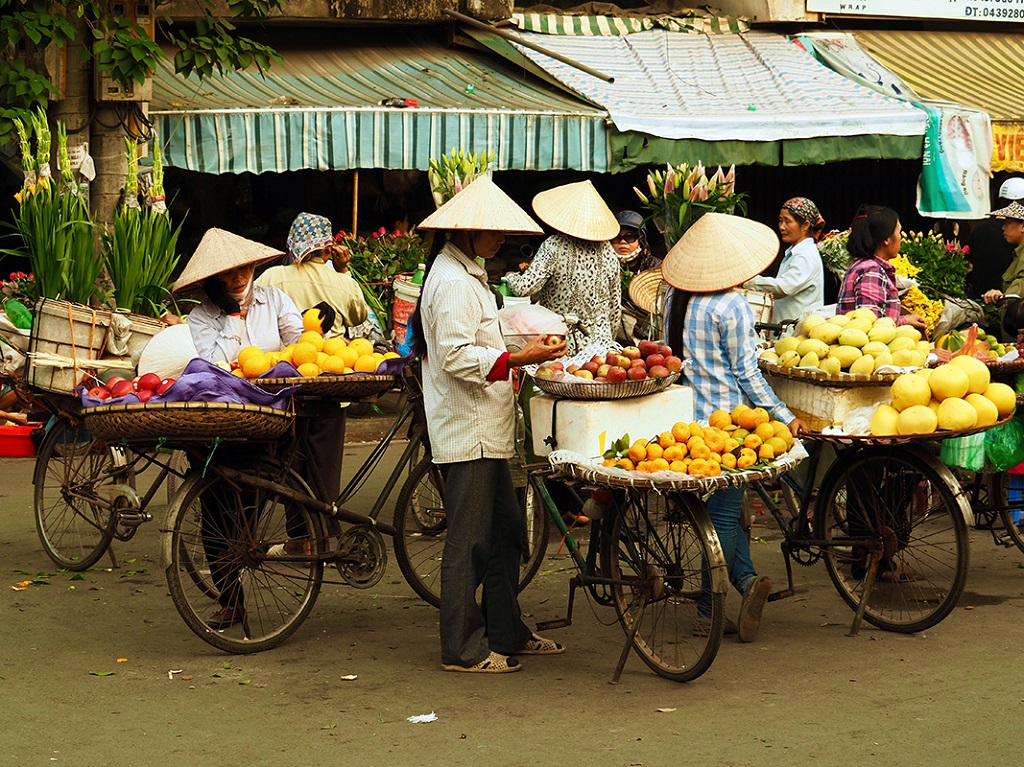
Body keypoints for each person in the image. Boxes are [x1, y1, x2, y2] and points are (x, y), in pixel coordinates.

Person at [411, 175, 567, 674]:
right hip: (468, 427)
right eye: (493, 232)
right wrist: (520, 358)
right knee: (470, 539)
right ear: (466, 230)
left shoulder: (467, 272)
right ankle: (461, 647)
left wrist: (519, 353)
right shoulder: (453, 282)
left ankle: (506, 629)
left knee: (504, 535)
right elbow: (456, 355)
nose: (501, 241)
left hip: (488, 425)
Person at [661, 213, 807, 643]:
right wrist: (784, 415)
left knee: (714, 516)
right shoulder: (731, 304)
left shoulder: (674, 296)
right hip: (727, 427)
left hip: (684, 427)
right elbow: (747, 373)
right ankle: (714, 607)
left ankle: (744, 581)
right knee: (724, 516)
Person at [173, 228, 305, 630]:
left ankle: (298, 533)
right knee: (214, 505)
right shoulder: (203, 316)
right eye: (227, 273)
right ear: (213, 280)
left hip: (274, 414)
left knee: (266, 490)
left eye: (243, 269)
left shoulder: (276, 300)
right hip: (223, 420)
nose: (238, 278)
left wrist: (279, 357)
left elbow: (300, 345)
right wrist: (232, 317)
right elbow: (213, 362)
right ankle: (231, 600)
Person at [256, 212, 370, 501]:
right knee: (324, 465)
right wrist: (343, 272)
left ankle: (299, 536)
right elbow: (359, 316)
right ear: (328, 249)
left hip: (286, 381)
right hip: (331, 382)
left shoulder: (271, 277)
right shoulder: (342, 283)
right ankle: (320, 532)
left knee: (290, 463)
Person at [505, 180, 621, 356]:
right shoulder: (608, 250)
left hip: (562, 343)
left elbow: (524, 287)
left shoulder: (554, 245)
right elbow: (615, 306)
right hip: (601, 347)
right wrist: (607, 338)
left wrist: (512, 276)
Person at [836, 205, 927, 331]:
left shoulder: (861, 266)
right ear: (887, 239)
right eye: (899, 232)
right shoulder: (871, 271)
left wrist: (904, 320)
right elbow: (870, 326)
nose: (901, 238)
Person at [744, 197, 826, 323]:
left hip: (796, 333)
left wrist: (748, 280)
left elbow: (784, 287)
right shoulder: (795, 253)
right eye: (780, 220)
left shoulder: (805, 255)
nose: (782, 227)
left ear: (805, 225)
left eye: (787, 221)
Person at [970, 178, 1024, 300]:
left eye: (1008, 222)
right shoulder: (1018, 252)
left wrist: (1003, 297)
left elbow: (1020, 284)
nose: (1003, 227)